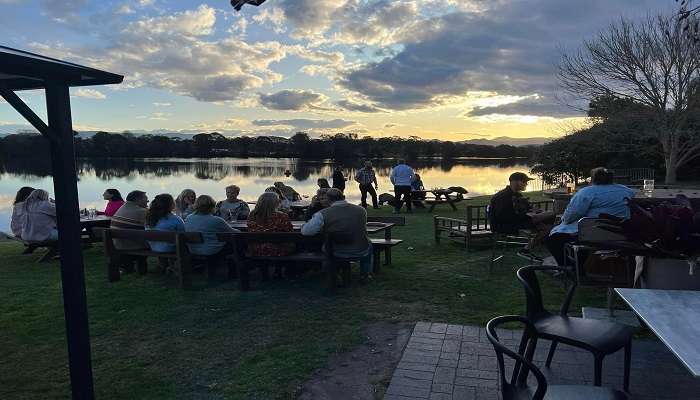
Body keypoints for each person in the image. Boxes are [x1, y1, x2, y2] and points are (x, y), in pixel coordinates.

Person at [546, 167, 635, 266]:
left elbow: (571, 215)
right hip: (620, 232)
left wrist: (563, 220)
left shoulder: (587, 192)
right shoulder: (627, 191)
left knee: (553, 239)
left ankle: (570, 268)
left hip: (594, 234)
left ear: (593, 179)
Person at [301, 188, 373, 280]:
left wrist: (305, 225)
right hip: (360, 250)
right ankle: (365, 273)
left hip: (336, 251)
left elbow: (306, 231)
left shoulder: (323, 214)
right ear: (343, 197)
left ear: (329, 199)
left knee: (324, 245)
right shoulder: (361, 210)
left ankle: (329, 271)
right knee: (369, 244)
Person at [489, 172, 555, 262]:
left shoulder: (517, 195)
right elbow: (503, 217)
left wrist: (533, 211)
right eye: (524, 181)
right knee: (551, 214)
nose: (526, 184)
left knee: (546, 227)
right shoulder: (502, 196)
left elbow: (526, 208)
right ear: (515, 182)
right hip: (504, 226)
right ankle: (527, 249)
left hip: (517, 222)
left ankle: (525, 250)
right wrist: (527, 216)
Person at [247, 192, 294, 257]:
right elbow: (290, 233)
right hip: (277, 250)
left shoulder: (252, 215)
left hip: (256, 250)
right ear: (276, 203)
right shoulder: (282, 216)